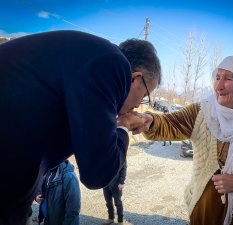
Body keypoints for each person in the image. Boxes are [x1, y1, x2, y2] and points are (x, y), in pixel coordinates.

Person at [0, 30, 161, 225]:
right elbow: (98, 172)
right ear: (136, 78)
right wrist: (123, 126)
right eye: (144, 95)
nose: (138, 105)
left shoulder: (90, 63)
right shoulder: (113, 65)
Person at [120, 55, 233, 225]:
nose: (218, 86)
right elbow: (171, 123)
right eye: (217, 77)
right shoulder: (202, 112)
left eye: (227, 78)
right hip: (203, 211)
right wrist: (148, 121)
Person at [35, 160, 80, 225]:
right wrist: (37, 196)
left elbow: (73, 212)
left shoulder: (69, 177)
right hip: (46, 220)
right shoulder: (47, 170)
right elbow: (39, 187)